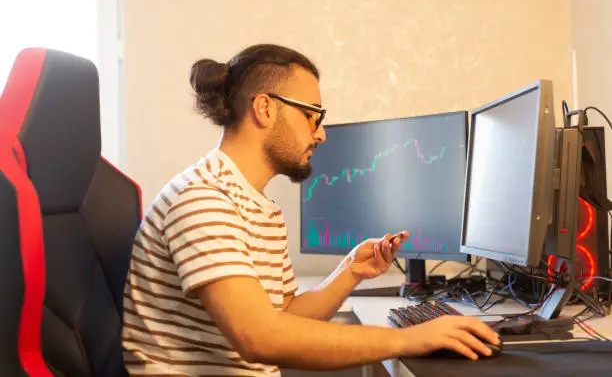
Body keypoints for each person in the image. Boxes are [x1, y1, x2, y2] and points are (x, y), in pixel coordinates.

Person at [122, 44, 500, 376]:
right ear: (265, 108)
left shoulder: (256, 204)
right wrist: (406, 339)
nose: (320, 133)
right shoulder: (203, 199)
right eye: (312, 114)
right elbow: (259, 338)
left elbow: (284, 317)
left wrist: (350, 271)